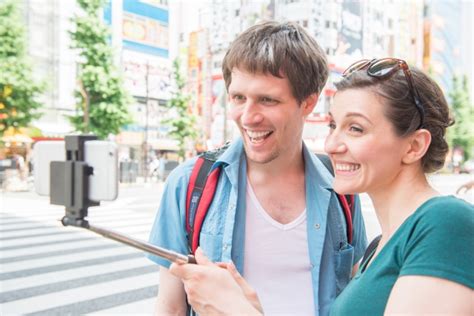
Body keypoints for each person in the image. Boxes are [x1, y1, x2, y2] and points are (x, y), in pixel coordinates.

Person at [170, 58, 474, 315]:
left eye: (355, 128)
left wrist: (237, 310)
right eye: (333, 126)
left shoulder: (444, 222)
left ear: (414, 146)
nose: (332, 145)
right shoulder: (377, 248)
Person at [147, 21, 367, 316]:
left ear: (308, 103)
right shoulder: (189, 184)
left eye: (267, 100)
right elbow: (171, 307)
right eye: (238, 98)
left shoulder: (341, 187)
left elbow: (355, 296)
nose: (249, 117)